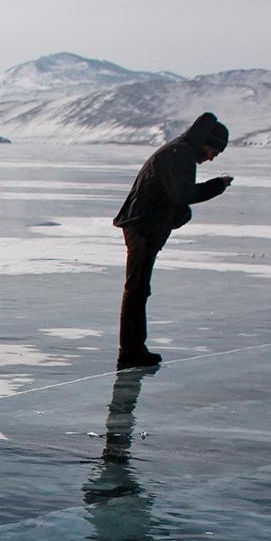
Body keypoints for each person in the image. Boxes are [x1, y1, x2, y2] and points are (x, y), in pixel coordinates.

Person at [111, 112, 234, 369]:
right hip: (142, 226)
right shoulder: (180, 154)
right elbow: (183, 193)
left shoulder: (181, 152)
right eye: (214, 151)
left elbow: (174, 196)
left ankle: (134, 348)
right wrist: (217, 185)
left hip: (145, 225)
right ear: (206, 142)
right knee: (137, 289)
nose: (211, 158)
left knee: (139, 289)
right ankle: (131, 351)